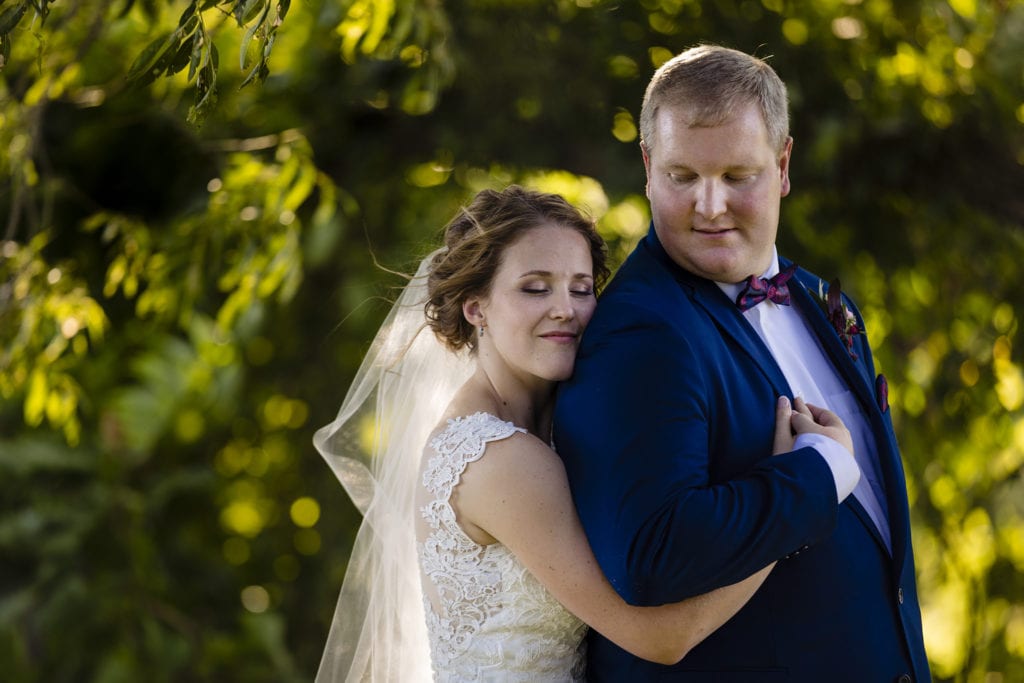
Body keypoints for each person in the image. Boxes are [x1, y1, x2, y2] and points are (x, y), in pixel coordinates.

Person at [314, 185, 854, 682]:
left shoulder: (547, 428)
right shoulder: (497, 459)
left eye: (580, 288)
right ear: (476, 307)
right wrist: (802, 486)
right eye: (534, 288)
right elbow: (662, 638)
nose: (565, 310)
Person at [553, 44, 931, 682]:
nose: (709, 206)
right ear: (647, 167)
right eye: (681, 177)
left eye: (736, 176)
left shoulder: (824, 301)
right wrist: (815, 474)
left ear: (783, 165)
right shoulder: (640, 330)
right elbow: (650, 555)